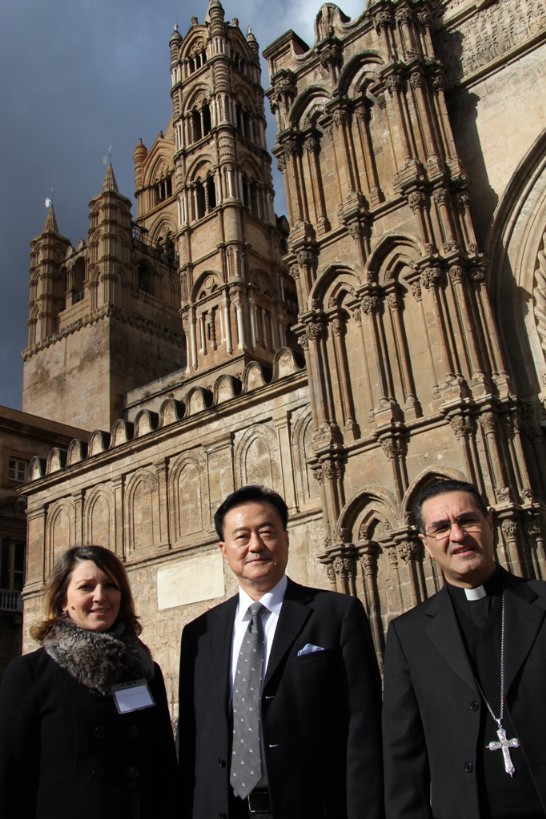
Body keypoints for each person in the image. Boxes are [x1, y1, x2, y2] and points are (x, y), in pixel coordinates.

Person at [178, 484, 384, 819]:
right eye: (242, 536)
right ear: (223, 549)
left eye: (267, 532)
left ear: (286, 539)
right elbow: (190, 738)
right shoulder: (199, 635)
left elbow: (363, 728)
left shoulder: (335, 614)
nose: (255, 546)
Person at [382, 478, 546, 819]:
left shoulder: (543, 604)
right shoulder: (408, 635)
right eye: (440, 528)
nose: (457, 536)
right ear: (425, 543)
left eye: (467, 520)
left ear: (489, 522)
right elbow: (403, 759)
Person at [0, 545, 178, 819]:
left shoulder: (144, 672)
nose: (100, 596)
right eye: (86, 587)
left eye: (110, 585)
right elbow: (8, 776)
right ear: (63, 600)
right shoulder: (31, 674)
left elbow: (164, 769)